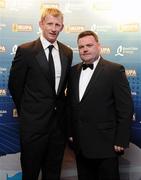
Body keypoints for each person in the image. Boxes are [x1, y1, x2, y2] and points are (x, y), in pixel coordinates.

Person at [8, 7, 73, 180]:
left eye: (57, 24)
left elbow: (62, 91)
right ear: (41, 24)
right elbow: (15, 86)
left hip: (58, 128)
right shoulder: (26, 51)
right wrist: (29, 113)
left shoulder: (67, 52)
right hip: (33, 127)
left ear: (62, 27)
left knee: (53, 173)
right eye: (49, 23)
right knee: (30, 173)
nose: (53, 28)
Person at [67, 30, 133, 180]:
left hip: (107, 145)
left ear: (99, 46)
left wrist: (121, 139)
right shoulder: (72, 72)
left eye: (89, 45)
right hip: (80, 145)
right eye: (81, 46)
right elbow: (70, 106)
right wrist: (70, 132)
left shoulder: (114, 70)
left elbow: (125, 108)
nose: (84, 49)